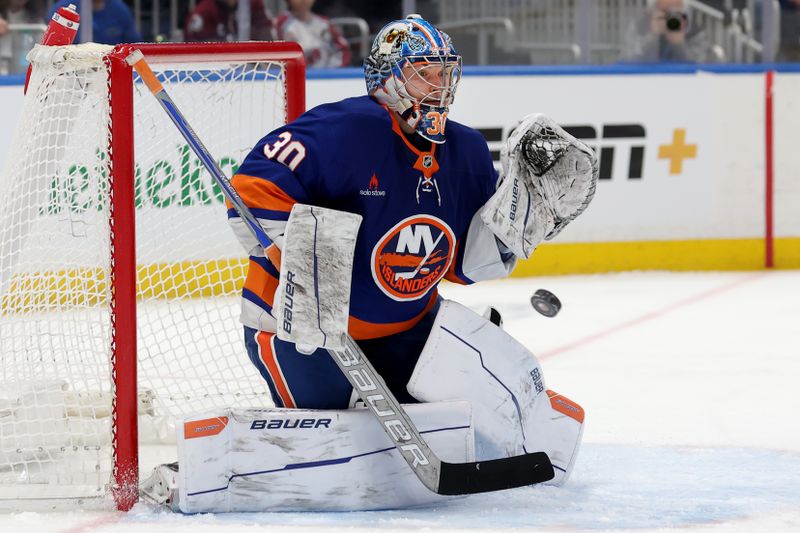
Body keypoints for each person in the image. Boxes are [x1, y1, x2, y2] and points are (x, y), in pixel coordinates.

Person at [141, 14, 596, 513]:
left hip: (409, 328)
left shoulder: (464, 148)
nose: (441, 86)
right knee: (336, 435)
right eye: (426, 72)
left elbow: (460, 265)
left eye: (446, 73)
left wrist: (517, 229)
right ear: (389, 78)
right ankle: (220, 468)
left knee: (458, 417)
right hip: (302, 333)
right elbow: (251, 191)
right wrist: (307, 267)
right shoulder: (345, 129)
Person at [620, 0, 716, 62]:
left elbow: (700, 65)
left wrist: (679, 44)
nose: (670, 17)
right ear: (652, 10)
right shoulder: (639, 26)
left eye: (676, 11)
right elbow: (627, 58)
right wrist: (651, 37)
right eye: (665, 11)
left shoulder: (694, 30)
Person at [275, 0, 350, 67]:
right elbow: (274, 55)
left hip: (325, 75)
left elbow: (343, 50)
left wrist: (333, 70)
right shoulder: (280, 24)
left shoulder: (324, 23)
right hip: (294, 75)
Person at [46, 0, 139, 45]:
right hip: (71, 73)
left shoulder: (120, 10)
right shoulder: (62, 11)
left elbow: (134, 47)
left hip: (111, 71)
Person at [184, 0, 273, 42]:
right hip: (216, 74)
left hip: (253, 73)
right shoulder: (203, 13)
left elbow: (267, 42)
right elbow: (199, 56)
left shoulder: (254, 5)